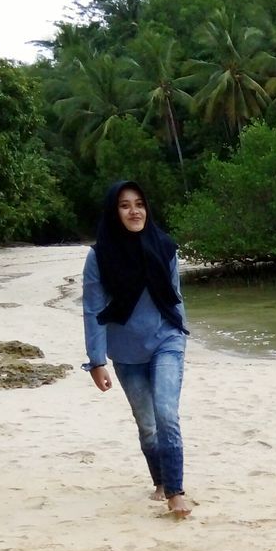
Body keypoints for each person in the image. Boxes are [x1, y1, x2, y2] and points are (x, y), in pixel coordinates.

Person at [82, 180, 192, 519]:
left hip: (167, 341)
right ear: (113, 212)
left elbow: (175, 298)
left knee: (166, 412)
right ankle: (159, 480)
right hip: (126, 351)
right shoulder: (99, 257)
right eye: (125, 205)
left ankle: (175, 490)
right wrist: (97, 361)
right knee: (147, 424)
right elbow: (93, 311)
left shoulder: (165, 247)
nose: (134, 211)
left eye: (140, 203)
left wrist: (181, 335)